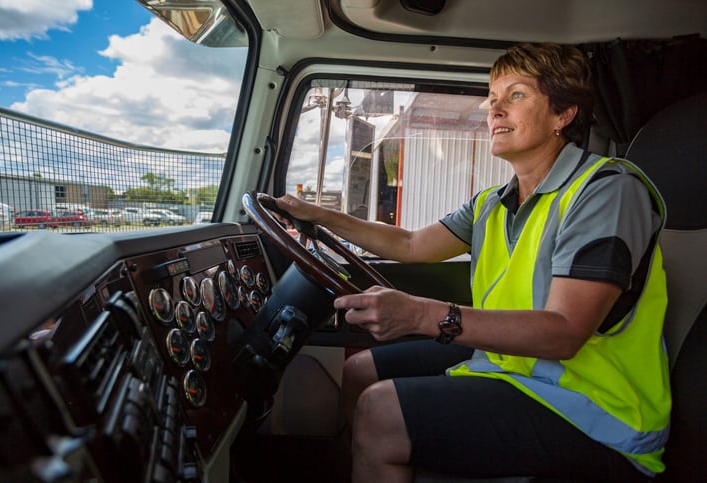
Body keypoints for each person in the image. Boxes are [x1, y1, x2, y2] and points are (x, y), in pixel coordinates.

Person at [274, 43, 670, 482]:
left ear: (564, 114)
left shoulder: (605, 191)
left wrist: (423, 314)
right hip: (512, 367)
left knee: (381, 411)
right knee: (359, 371)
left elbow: (564, 332)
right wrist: (319, 216)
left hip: (594, 409)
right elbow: (409, 244)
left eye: (516, 95)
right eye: (492, 98)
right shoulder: (492, 204)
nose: (495, 110)